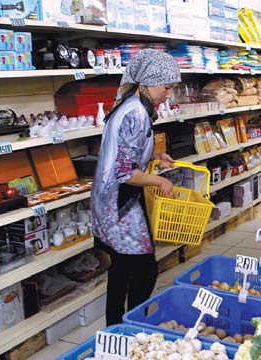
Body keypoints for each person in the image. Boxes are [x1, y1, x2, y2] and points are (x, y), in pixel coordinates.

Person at [91, 49, 181, 325]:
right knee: (144, 271)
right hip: (120, 202)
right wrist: (160, 180)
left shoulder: (132, 105)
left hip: (113, 199)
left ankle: (116, 327)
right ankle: (133, 325)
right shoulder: (135, 113)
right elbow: (125, 173)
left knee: (121, 268)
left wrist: (154, 156)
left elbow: (127, 150)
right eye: (166, 87)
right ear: (147, 83)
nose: (168, 94)